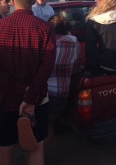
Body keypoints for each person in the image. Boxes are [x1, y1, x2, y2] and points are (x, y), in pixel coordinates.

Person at [0, 0, 57, 163]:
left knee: (4, 149)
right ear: (33, 1)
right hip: (37, 99)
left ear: (13, 1)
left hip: (4, 98)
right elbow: (46, 67)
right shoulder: (44, 28)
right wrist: (30, 98)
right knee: (35, 147)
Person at [44, 14, 78, 155]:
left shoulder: (46, 43)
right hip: (62, 93)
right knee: (50, 123)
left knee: (42, 125)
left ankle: (37, 154)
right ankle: (42, 154)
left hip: (44, 92)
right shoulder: (74, 41)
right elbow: (77, 65)